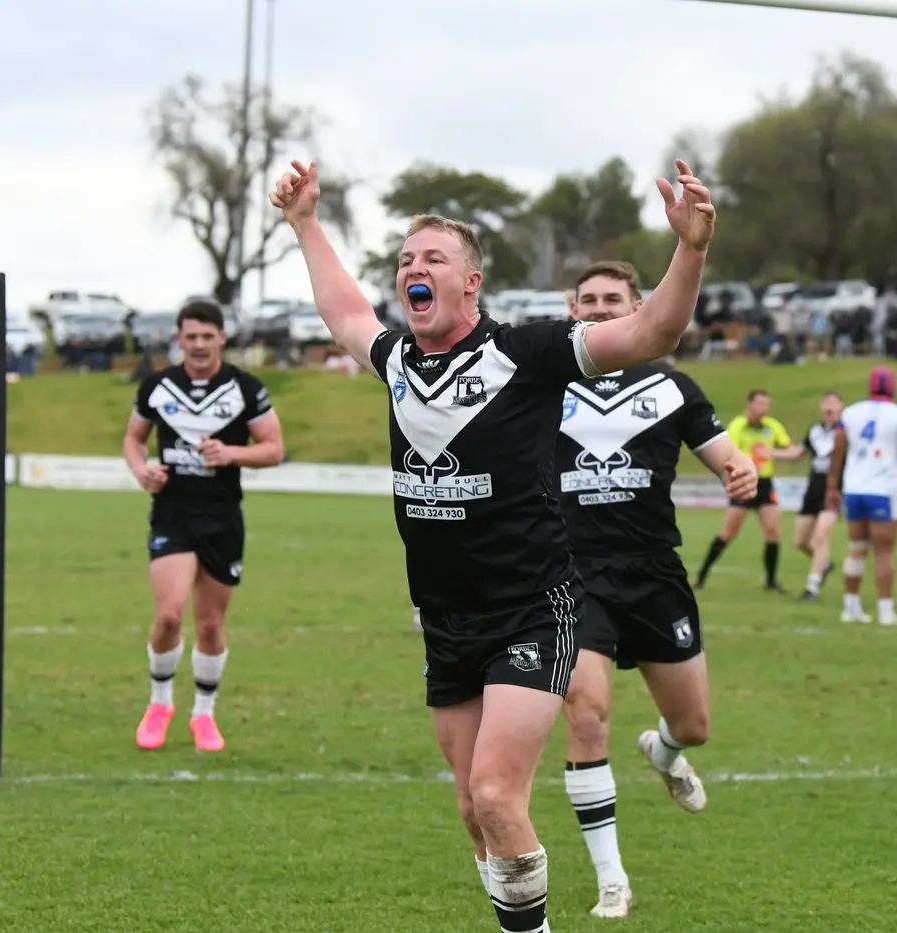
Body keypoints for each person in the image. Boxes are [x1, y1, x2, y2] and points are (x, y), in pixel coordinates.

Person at [271, 158, 715, 933]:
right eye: (406, 259)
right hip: (445, 617)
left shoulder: (526, 353)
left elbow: (652, 331)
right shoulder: (400, 362)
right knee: (472, 810)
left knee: (496, 795)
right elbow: (344, 313)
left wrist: (691, 248)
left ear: (471, 282)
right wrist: (306, 223)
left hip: (530, 610)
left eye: (433, 258)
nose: (414, 268)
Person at [555, 260, 757, 918]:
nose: (600, 307)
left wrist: (741, 472)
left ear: (637, 307)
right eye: (588, 299)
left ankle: (663, 752)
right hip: (572, 574)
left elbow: (726, 455)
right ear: (572, 310)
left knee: (693, 726)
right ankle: (611, 879)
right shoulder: (543, 383)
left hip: (652, 574)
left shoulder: (671, 387)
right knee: (586, 715)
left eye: (612, 298)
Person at [124, 301, 286, 752]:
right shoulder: (156, 387)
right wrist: (141, 470)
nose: (198, 344)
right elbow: (133, 439)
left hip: (222, 518)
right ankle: (159, 704)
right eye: (190, 336)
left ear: (221, 338)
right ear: (178, 339)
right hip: (173, 514)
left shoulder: (245, 389)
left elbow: (274, 448)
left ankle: (204, 714)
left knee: (211, 625)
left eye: (206, 336)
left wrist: (232, 454)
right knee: (169, 614)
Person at [825, 366, 897, 626]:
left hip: (854, 488)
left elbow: (838, 448)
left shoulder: (850, 413)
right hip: (883, 490)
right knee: (884, 552)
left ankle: (851, 607)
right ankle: (885, 610)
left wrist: (832, 485)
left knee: (856, 548)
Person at [693, 390, 806, 592]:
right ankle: (701, 577)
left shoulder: (772, 426)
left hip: (765, 484)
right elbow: (727, 452)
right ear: (749, 405)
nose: (764, 408)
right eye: (760, 403)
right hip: (744, 481)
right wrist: (747, 463)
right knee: (729, 532)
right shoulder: (738, 426)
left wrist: (773, 453)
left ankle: (771, 582)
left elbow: (792, 450)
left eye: (767, 404)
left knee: (773, 532)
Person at [796, 391, 844, 601]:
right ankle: (825, 563)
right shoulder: (815, 430)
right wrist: (770, 453)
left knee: (821, 537)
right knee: (800, 541)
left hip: (834, 490)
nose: (829, 407)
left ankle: (812, 587)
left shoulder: (846, 431)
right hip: (813, 488)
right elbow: (798, 452)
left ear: (841, 408)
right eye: (826, 403)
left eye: (834, 403)